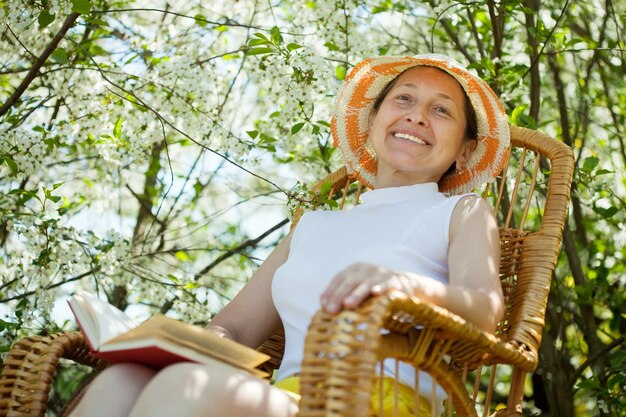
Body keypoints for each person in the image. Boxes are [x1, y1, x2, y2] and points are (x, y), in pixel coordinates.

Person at [69, 54, 509, 417]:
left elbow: (485, 308)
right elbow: (234, 327)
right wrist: (171, 345)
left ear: (465, 149)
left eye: (441, 109)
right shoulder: (315, 224)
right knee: (120, 381)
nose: (416, 114)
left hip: (373, 401)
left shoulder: (460, 211)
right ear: (374, 121)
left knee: (189, 386)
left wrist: (407, 285)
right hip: (287, 399)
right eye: (404, 99)